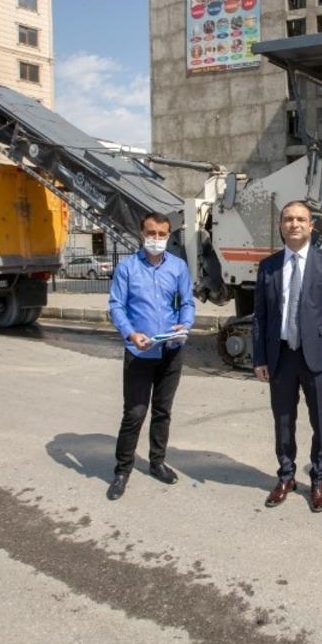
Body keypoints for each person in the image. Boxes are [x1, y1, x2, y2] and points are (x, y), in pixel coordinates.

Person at [252, 201, 322, 512]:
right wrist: (260, 358)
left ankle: (319, 479)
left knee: (320, 419)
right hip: (280, 355)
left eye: (300, 219)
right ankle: (286, 476)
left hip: (317, 356)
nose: (294, 224)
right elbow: (260, 317)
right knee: (283, 420)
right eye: (288, 219)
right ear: (281, 225)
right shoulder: (269, 266)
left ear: (311, 226)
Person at [105, 212, 195, 501]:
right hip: (139, 352)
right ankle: (122, 470)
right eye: (151, 233)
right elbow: (116, 306)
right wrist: (131, 334)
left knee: (162, 410)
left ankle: (157, 462)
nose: (156, 239)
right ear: (141, 233)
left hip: (170, 350)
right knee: (134, 413)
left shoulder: (178, 267)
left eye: (161, 234)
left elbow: (187, 302)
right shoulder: (128, 268)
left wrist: (186, 324)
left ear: (169, 236)